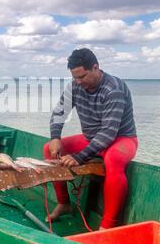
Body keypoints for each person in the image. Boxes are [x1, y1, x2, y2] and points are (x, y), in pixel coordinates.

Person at [43, 48, 138, 229]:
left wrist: (79, 157)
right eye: (75, 77)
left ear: (95, 68)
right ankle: (64, 203)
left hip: (121, 139)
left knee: (114, 159)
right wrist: (55, 137)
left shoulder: (114, 89)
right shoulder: (75, 85)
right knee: (49, 148)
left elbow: (109, 133)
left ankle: (108, 225)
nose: (78, 82)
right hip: (91, 138)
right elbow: (59, 113)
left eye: (82, 76)